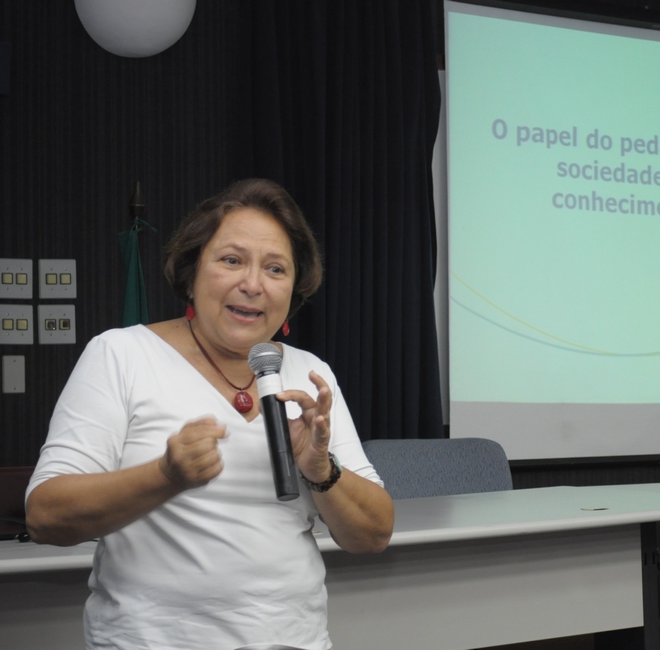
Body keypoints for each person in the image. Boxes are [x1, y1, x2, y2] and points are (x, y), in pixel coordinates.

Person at [25, 178, 394, 650]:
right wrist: (165, 475)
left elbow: (375, 533)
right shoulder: (120, 355)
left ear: (292, 291)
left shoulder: (309, 372)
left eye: (276, 269)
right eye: (231, 260)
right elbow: (46, 516)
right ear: (192, 271)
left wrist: (322, 471)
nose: (252, 284)